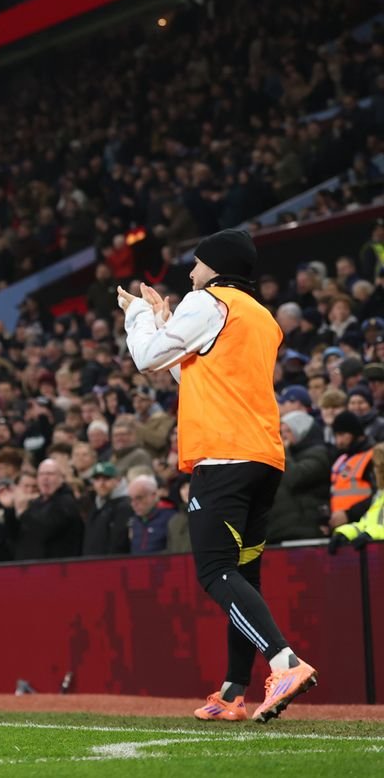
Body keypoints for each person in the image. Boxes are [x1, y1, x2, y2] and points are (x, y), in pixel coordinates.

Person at [122, 228, 317, 724]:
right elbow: (195, 371)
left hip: (223, 459)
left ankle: (285, 662)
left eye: (196, 262)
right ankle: (233, 690)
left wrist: (138, 315)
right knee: (243, 575)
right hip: (263, 459)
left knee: (215, 572)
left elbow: (147, 358)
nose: (190, 272)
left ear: (216, 265)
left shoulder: (207, 301)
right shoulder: (262, 317)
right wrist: (168, 322)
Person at [266, 411, 332, 542]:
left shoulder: (319, 454)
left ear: (302, 431)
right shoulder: (289, 454)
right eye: (282, 431)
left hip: (304, 530)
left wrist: (282, 452)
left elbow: (295, 477)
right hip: (278, 531)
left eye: (288, 431)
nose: (283, 436)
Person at [9, 458, 84, 560]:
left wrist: (22, 512)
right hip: (30, 566)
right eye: (41, 474)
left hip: (58, 567)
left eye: (50, 474)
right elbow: (18, 534)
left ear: (61, 478)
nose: (45, 478)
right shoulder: (36, 503)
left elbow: (44, 529)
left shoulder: (66, 502)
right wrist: (9, 509)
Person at [83, 462, 133, 556]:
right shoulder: (96, 505)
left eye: (106, 479)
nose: (101, 484)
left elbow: (118, 543)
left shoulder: (124, 507)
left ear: (117, 481)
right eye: (97, 479)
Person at [127, 473, 175, 554]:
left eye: (139, 498)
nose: (133, 504)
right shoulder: (134, 521)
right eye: (131, 499)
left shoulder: (171, 518)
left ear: (154, 495)